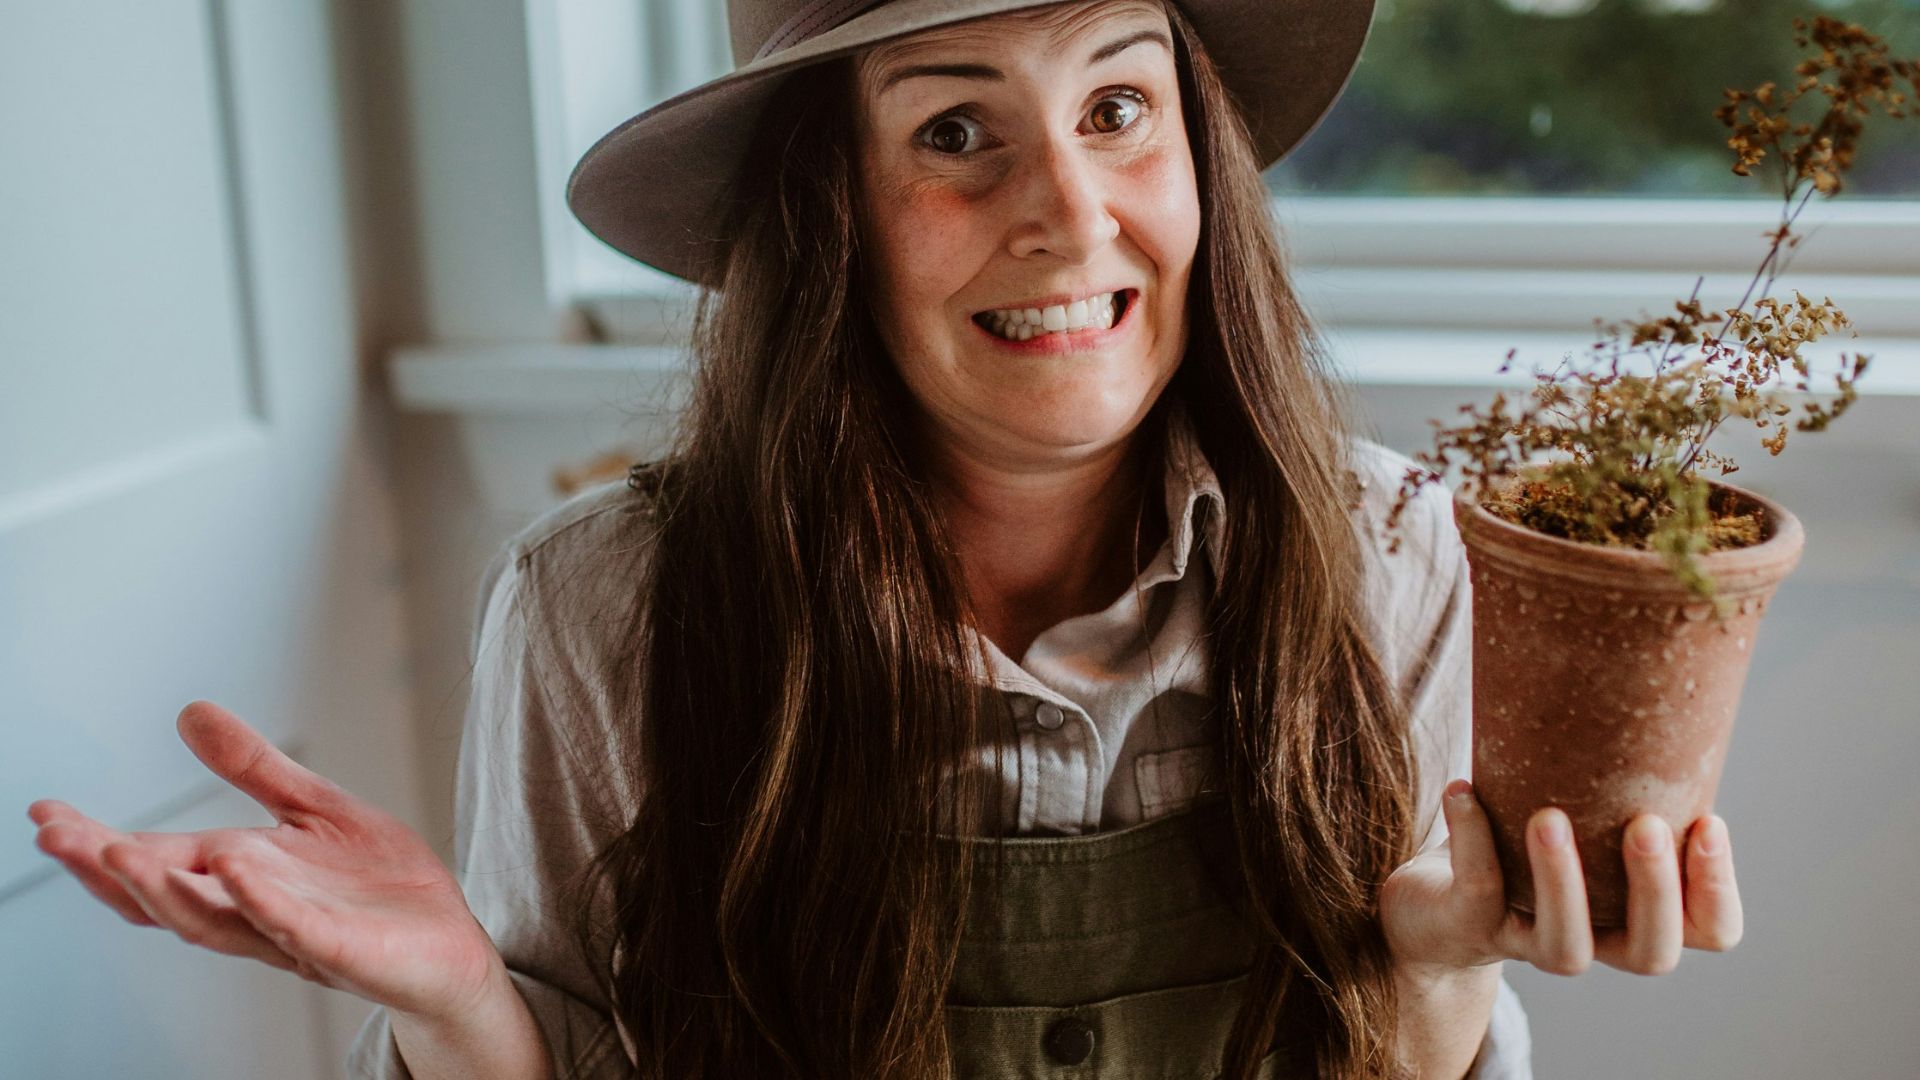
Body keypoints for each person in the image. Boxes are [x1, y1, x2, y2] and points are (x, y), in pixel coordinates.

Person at [25, 1, 1748, 1077]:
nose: (1070, 215)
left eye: (1118, 105)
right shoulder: (601, 607)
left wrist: (1431, 971)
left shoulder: (1385, 553)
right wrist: (467, 1008)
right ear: (822, 210)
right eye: (952, 131)